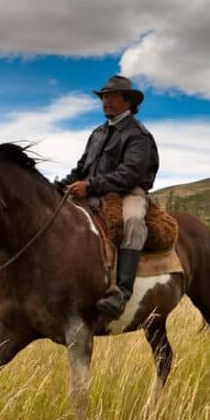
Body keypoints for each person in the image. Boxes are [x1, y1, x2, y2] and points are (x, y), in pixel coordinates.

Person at [56, 74, 160, 318]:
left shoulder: (138, 135)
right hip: (91, 189)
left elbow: (130, 174)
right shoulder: (98, 133)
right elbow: (81, 168)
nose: (106, 102)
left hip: (127, 192)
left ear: (128, 102)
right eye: (104, 97)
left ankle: (121, 293)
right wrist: (59, 186)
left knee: (133, 223)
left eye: (113, 97)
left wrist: (90, 187)